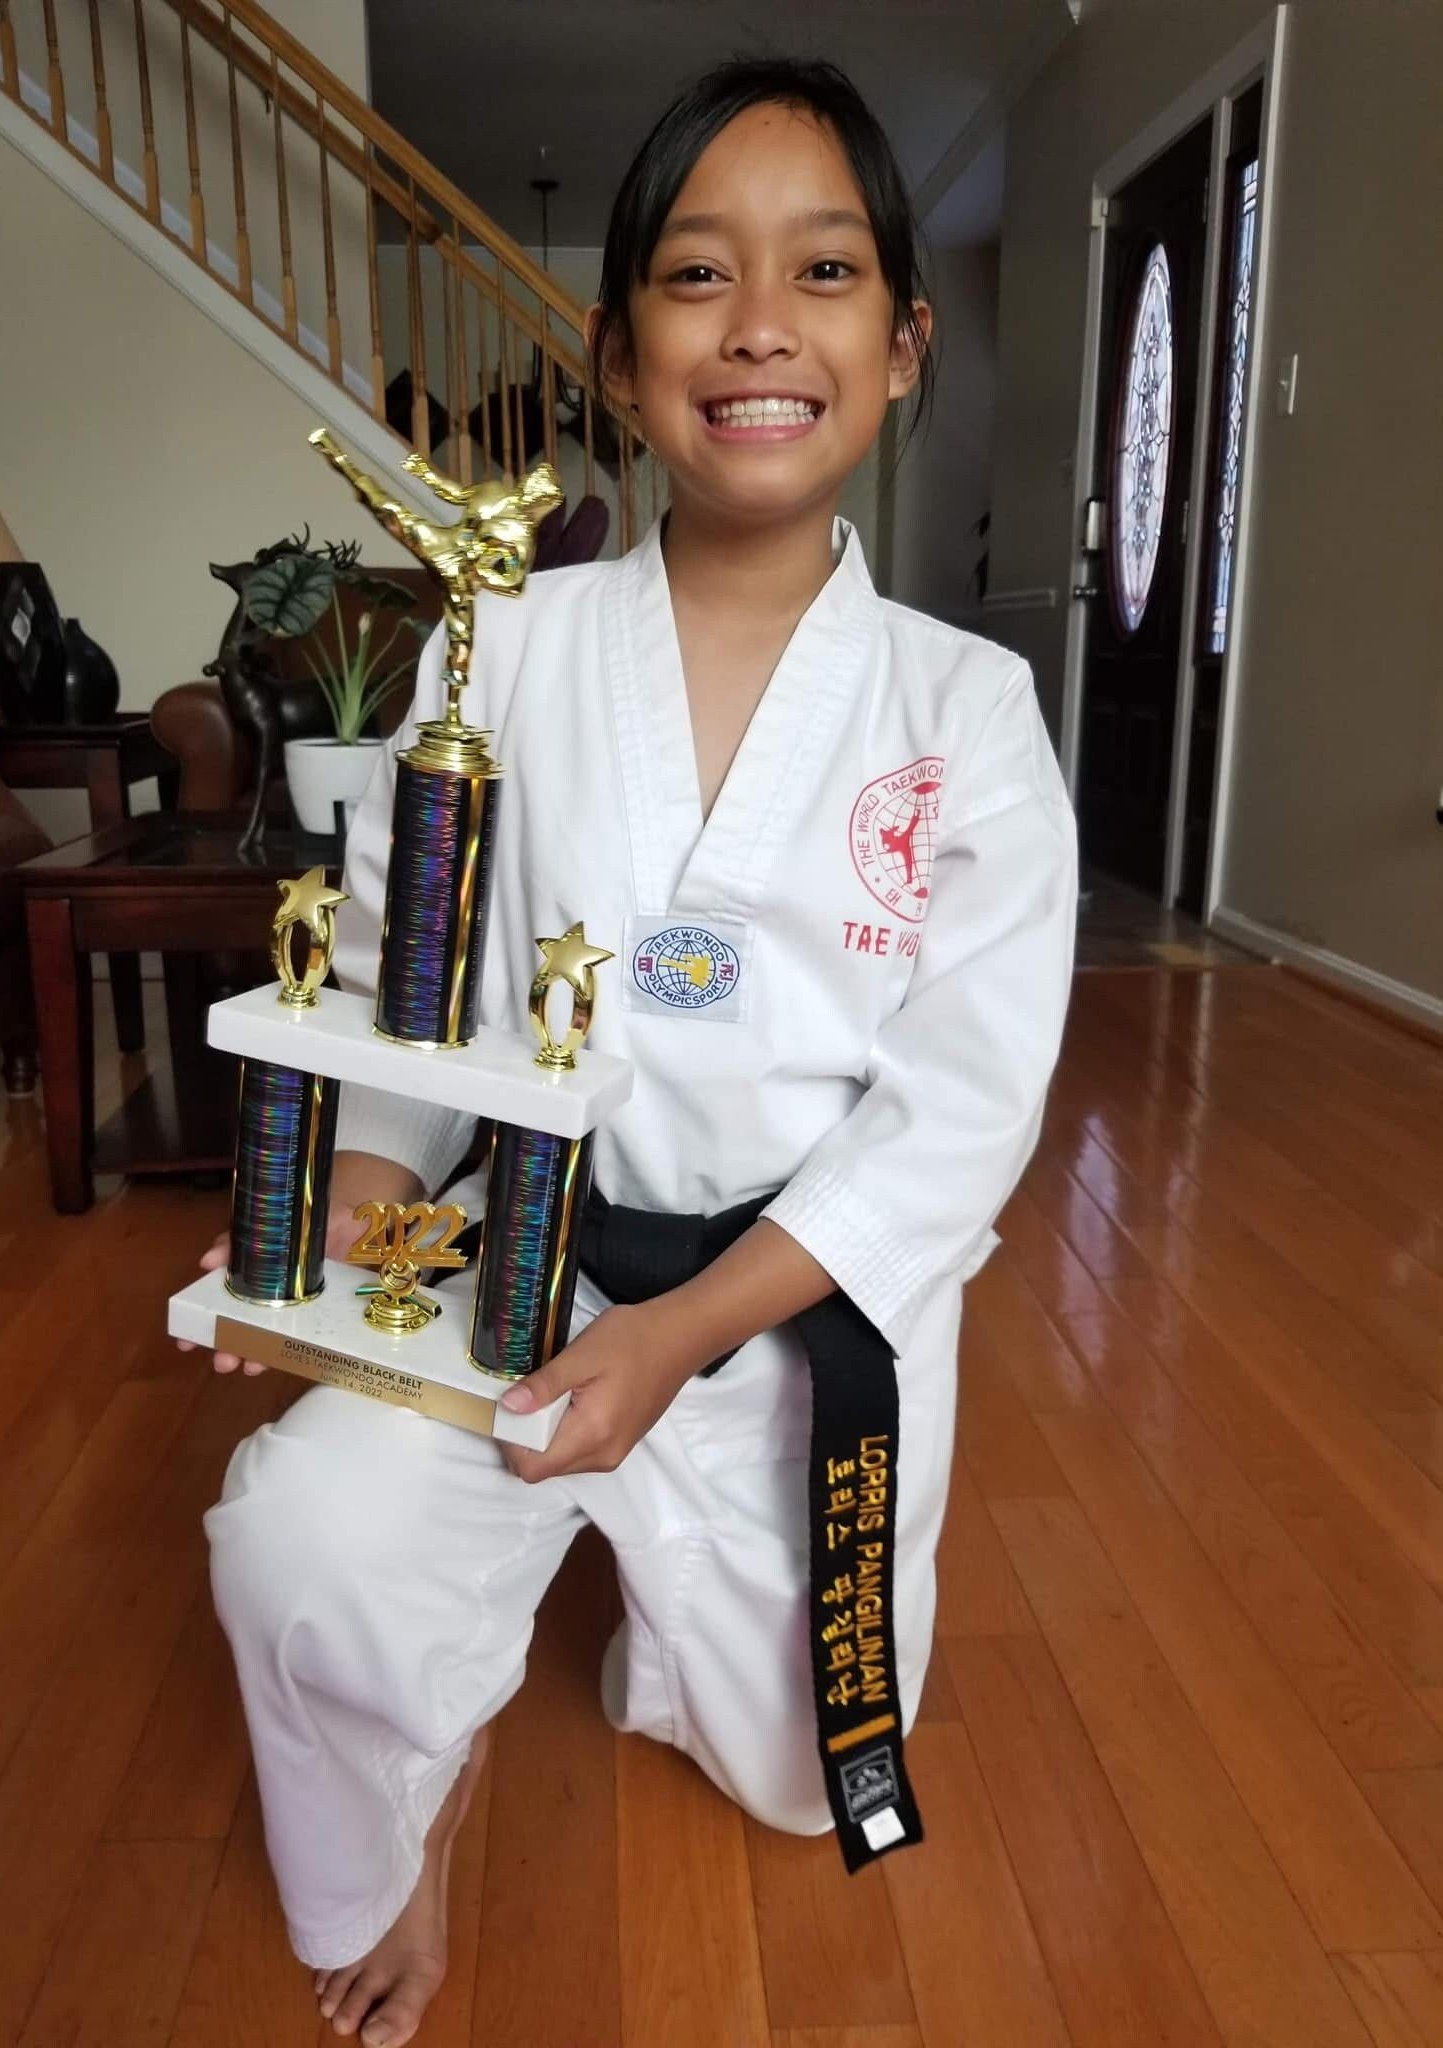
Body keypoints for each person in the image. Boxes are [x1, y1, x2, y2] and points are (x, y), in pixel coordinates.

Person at [184, 55, 1078, 2048]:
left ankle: (622, 1597)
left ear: (905, 344)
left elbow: (958, 1119)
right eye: (696, 270)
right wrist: (350, 1214)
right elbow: (429, 1007)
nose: (760, 321)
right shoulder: (503, 648)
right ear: (615, 349)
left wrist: (680, 1346)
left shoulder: (968, 715)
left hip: (794, 1308)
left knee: (797, 1782)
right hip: (535, 1261)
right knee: (300, 1541)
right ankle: (413, 1782)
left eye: (825, 269)